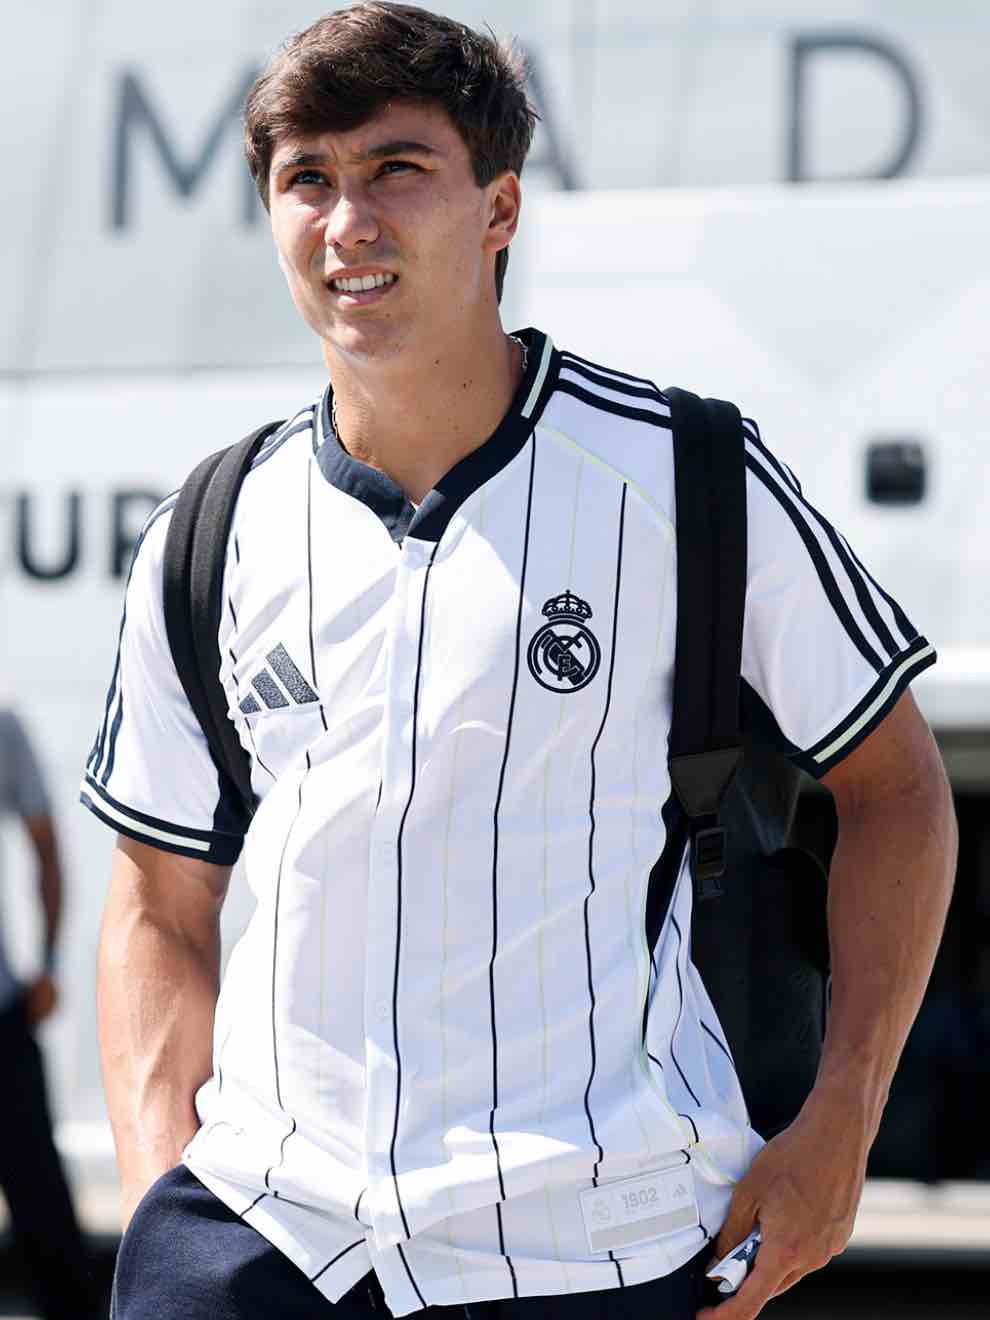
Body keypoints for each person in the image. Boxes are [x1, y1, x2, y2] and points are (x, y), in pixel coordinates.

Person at [81, 5, 957, 1318]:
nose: (346, 223)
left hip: (590, 1243)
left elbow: (897, 792)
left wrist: (843, 1120)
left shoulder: (687, 477)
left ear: (498, 209)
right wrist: (163, 1198)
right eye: (307, 179)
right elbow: (157, 899)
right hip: (270, 1246)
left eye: (396, 169)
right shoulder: (210, 528)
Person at [0, 707, 98, 1320]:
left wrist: (51, 963)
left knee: (45, 1216)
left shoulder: (2, 726)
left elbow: (47, 848)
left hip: (2, 1018)